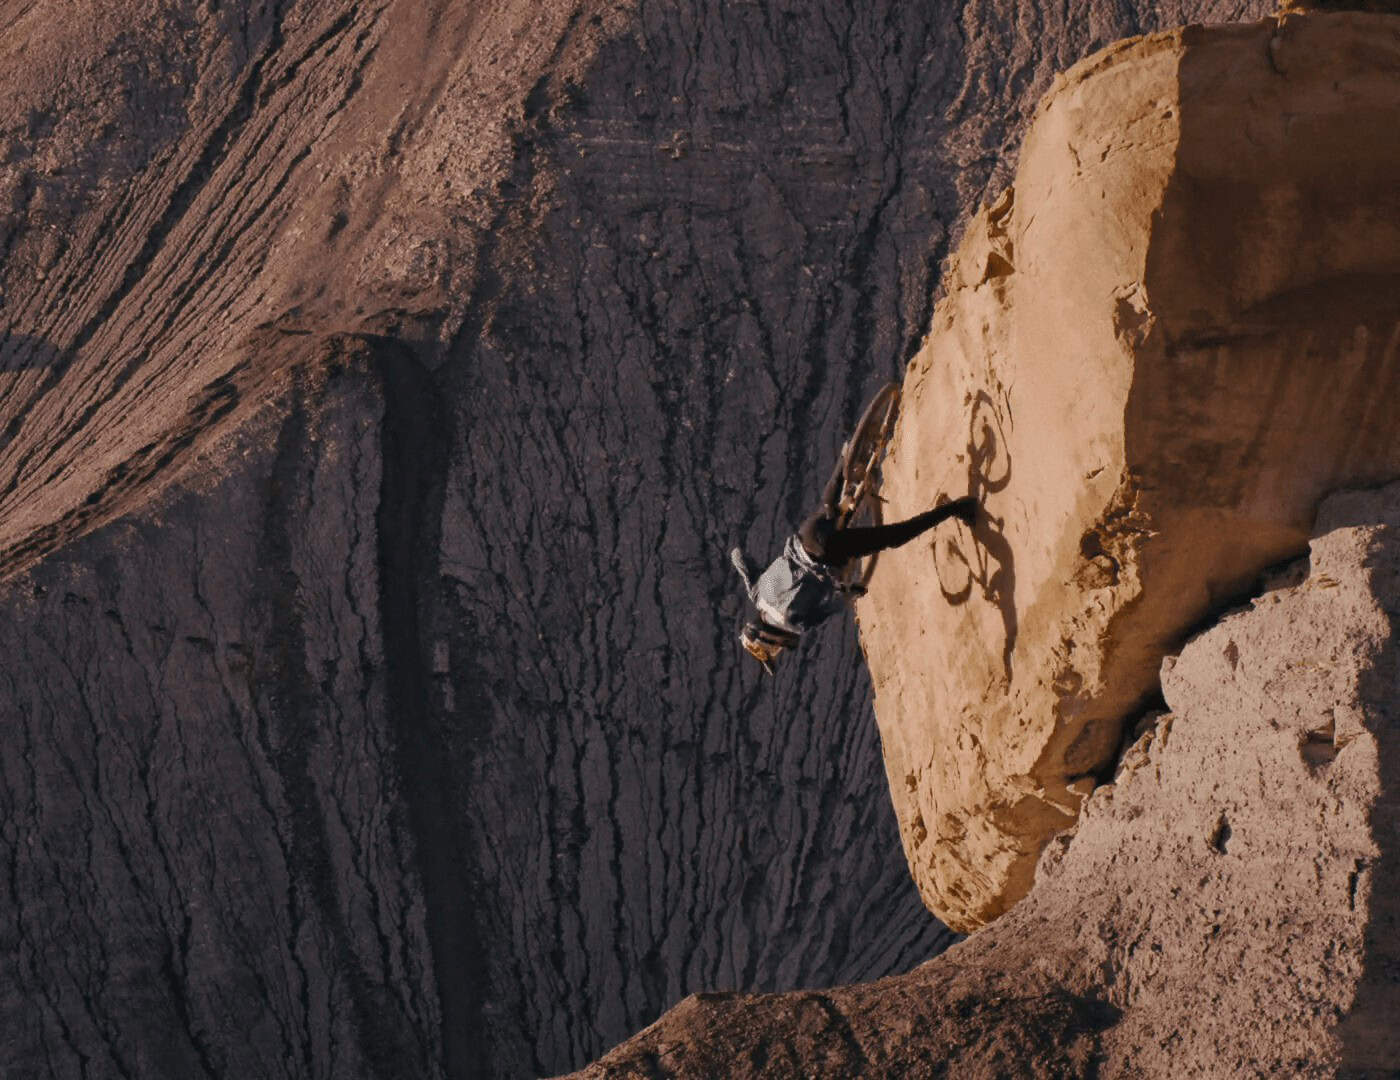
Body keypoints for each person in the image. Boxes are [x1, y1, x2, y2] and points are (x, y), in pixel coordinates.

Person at [731, 455, 976, 673]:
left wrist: (853, 592)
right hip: (805, 536)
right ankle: (845, 458)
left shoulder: (794, 623)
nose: (779, 650)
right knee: (829, 505)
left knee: (895, 537)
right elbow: (740, 560)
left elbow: (835, 605)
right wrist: (737, 557)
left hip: (829, 553)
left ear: (767, 638)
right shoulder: (757, 594)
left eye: (773, 650)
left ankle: (956, 508)